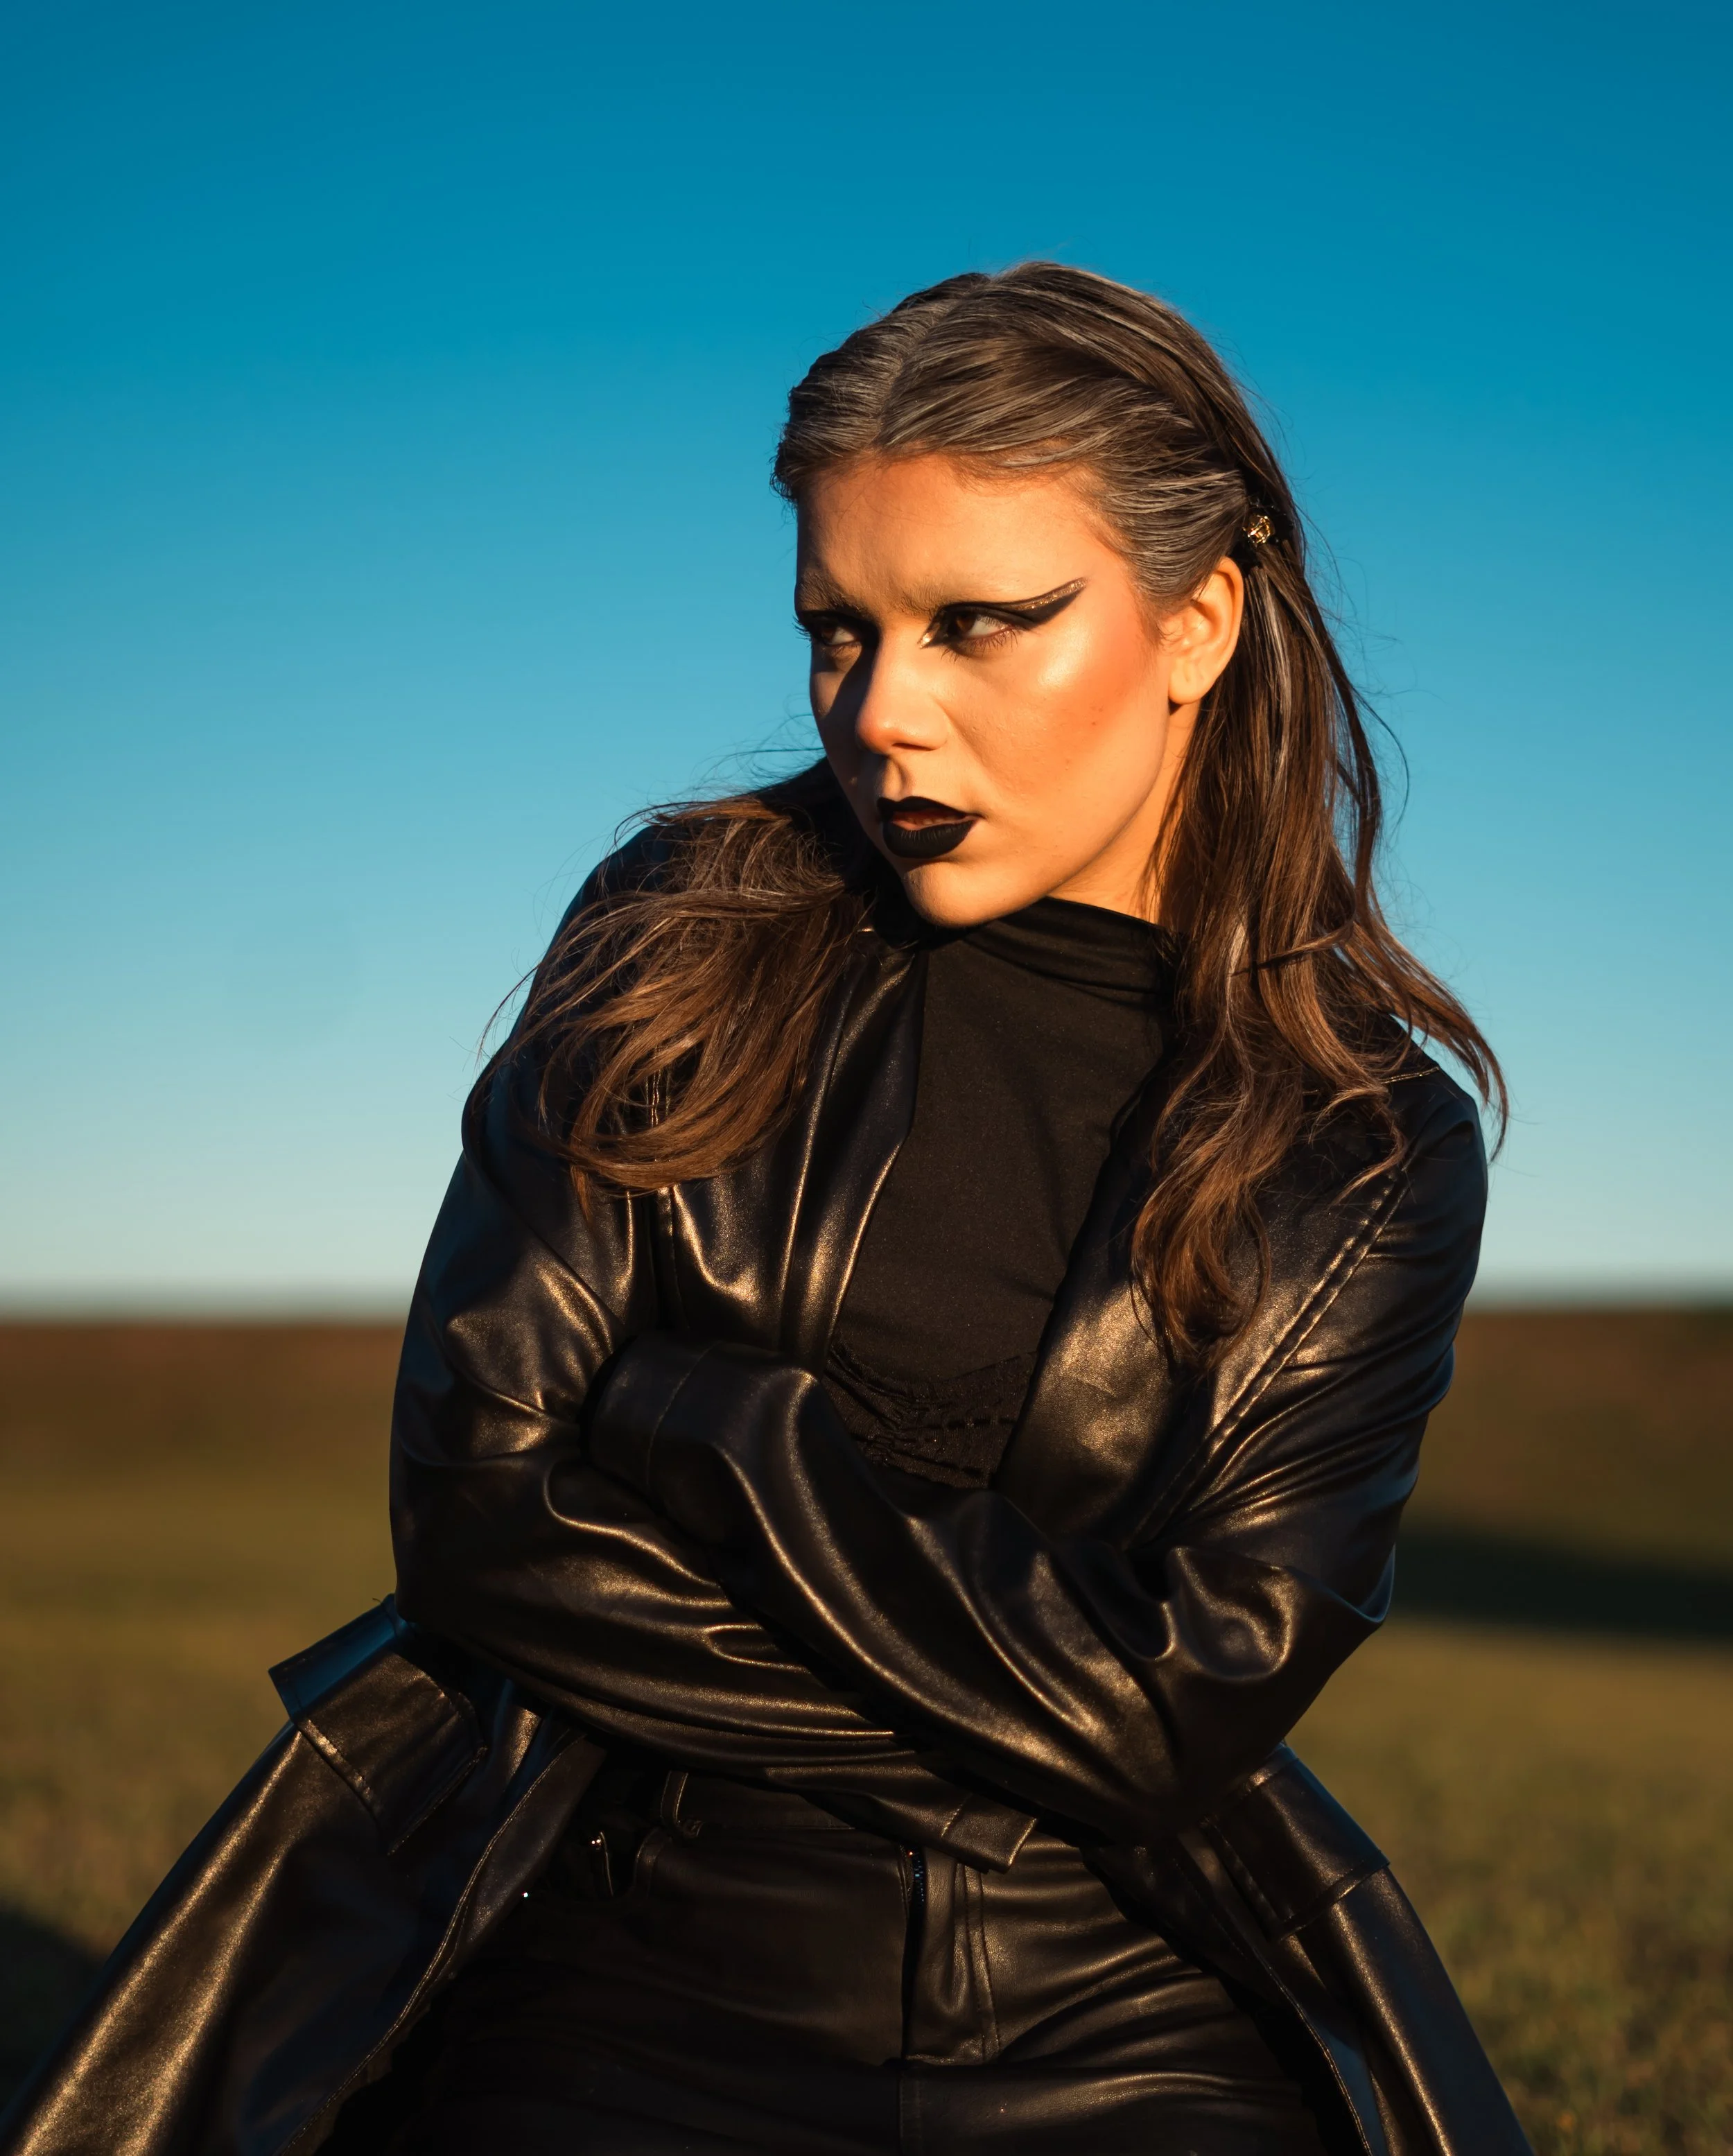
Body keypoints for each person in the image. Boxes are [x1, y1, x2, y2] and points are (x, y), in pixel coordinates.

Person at [1, 265, 1532, 2156]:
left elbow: (1183, 1706)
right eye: (837, 630)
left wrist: (715, 1425)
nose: (882, 710)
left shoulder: (1362, 1141)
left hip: (1120, 2006)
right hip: (619, 1955)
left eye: (983, 623)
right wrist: (1046, 1713)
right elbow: (481, 1513)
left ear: (1198, 618)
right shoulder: (688, 935)